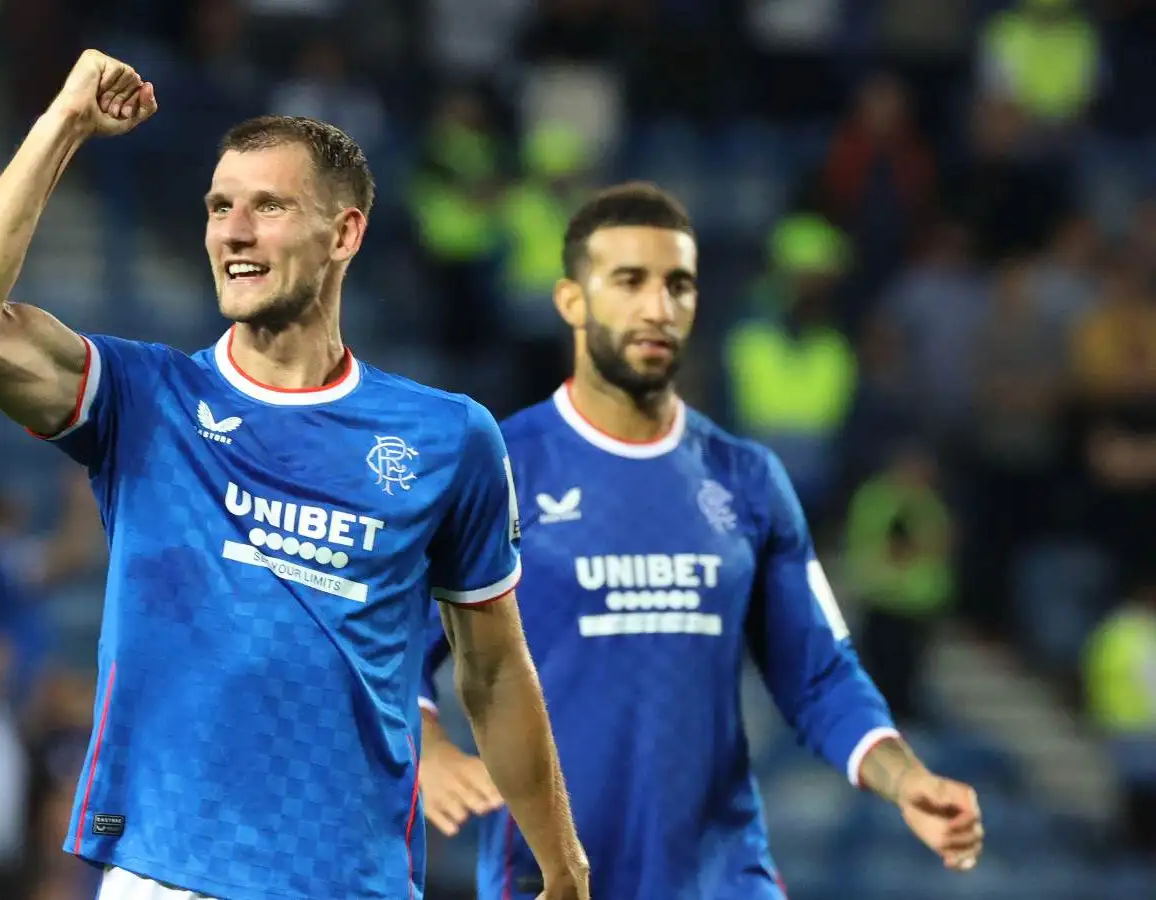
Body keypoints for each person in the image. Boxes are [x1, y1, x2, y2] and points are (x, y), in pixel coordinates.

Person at [0, 50, 588, 900]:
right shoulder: (148, 402)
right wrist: (62, 125)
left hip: (353, 880)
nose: (233, 231)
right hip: (170, 873)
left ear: (344, 233)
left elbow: (494, 670)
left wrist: (562, 863)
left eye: (267, 207)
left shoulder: (447, 438)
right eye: (218, 208)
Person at [415, 183, 984, 899]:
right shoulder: (499, 468)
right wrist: (429, 746)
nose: (658, 307)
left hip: (724, 878)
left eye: (677, 284)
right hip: (555, 877)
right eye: (629, 281)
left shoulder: (747, 478)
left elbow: (818, 674)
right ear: (570, 300)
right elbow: (394, 649)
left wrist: (907, 780)